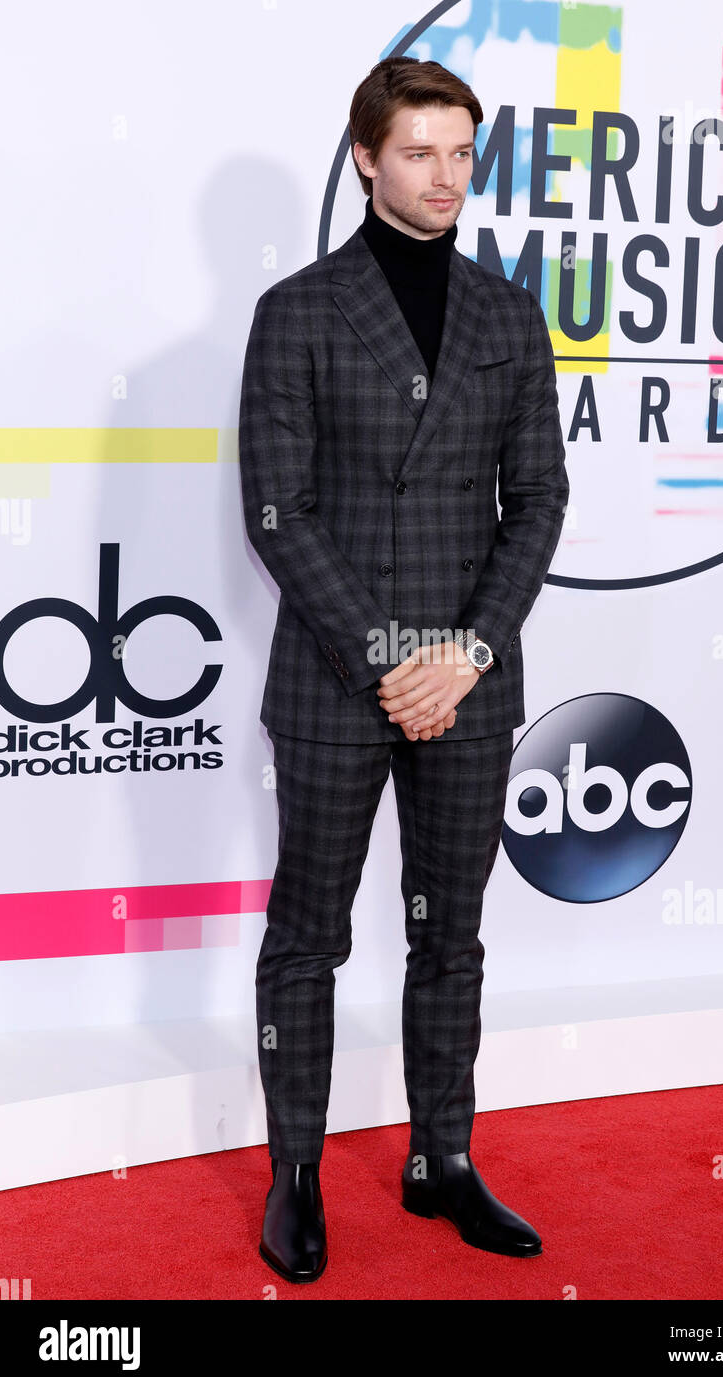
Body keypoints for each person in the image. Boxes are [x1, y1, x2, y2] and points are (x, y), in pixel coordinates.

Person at [238, 55, 569, 1284]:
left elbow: (537, 499)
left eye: (461, 153)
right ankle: (296, 1173)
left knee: (455, 936)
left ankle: (443, 1159)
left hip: (471, 685)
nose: (445, 177)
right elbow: (279, 511)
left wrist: (467, 652)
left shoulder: (507, 312)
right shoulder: (300, 310)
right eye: (420, 152)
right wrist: (391, 659)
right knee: (307, 937)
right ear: (367, 158)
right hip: (340, 679)